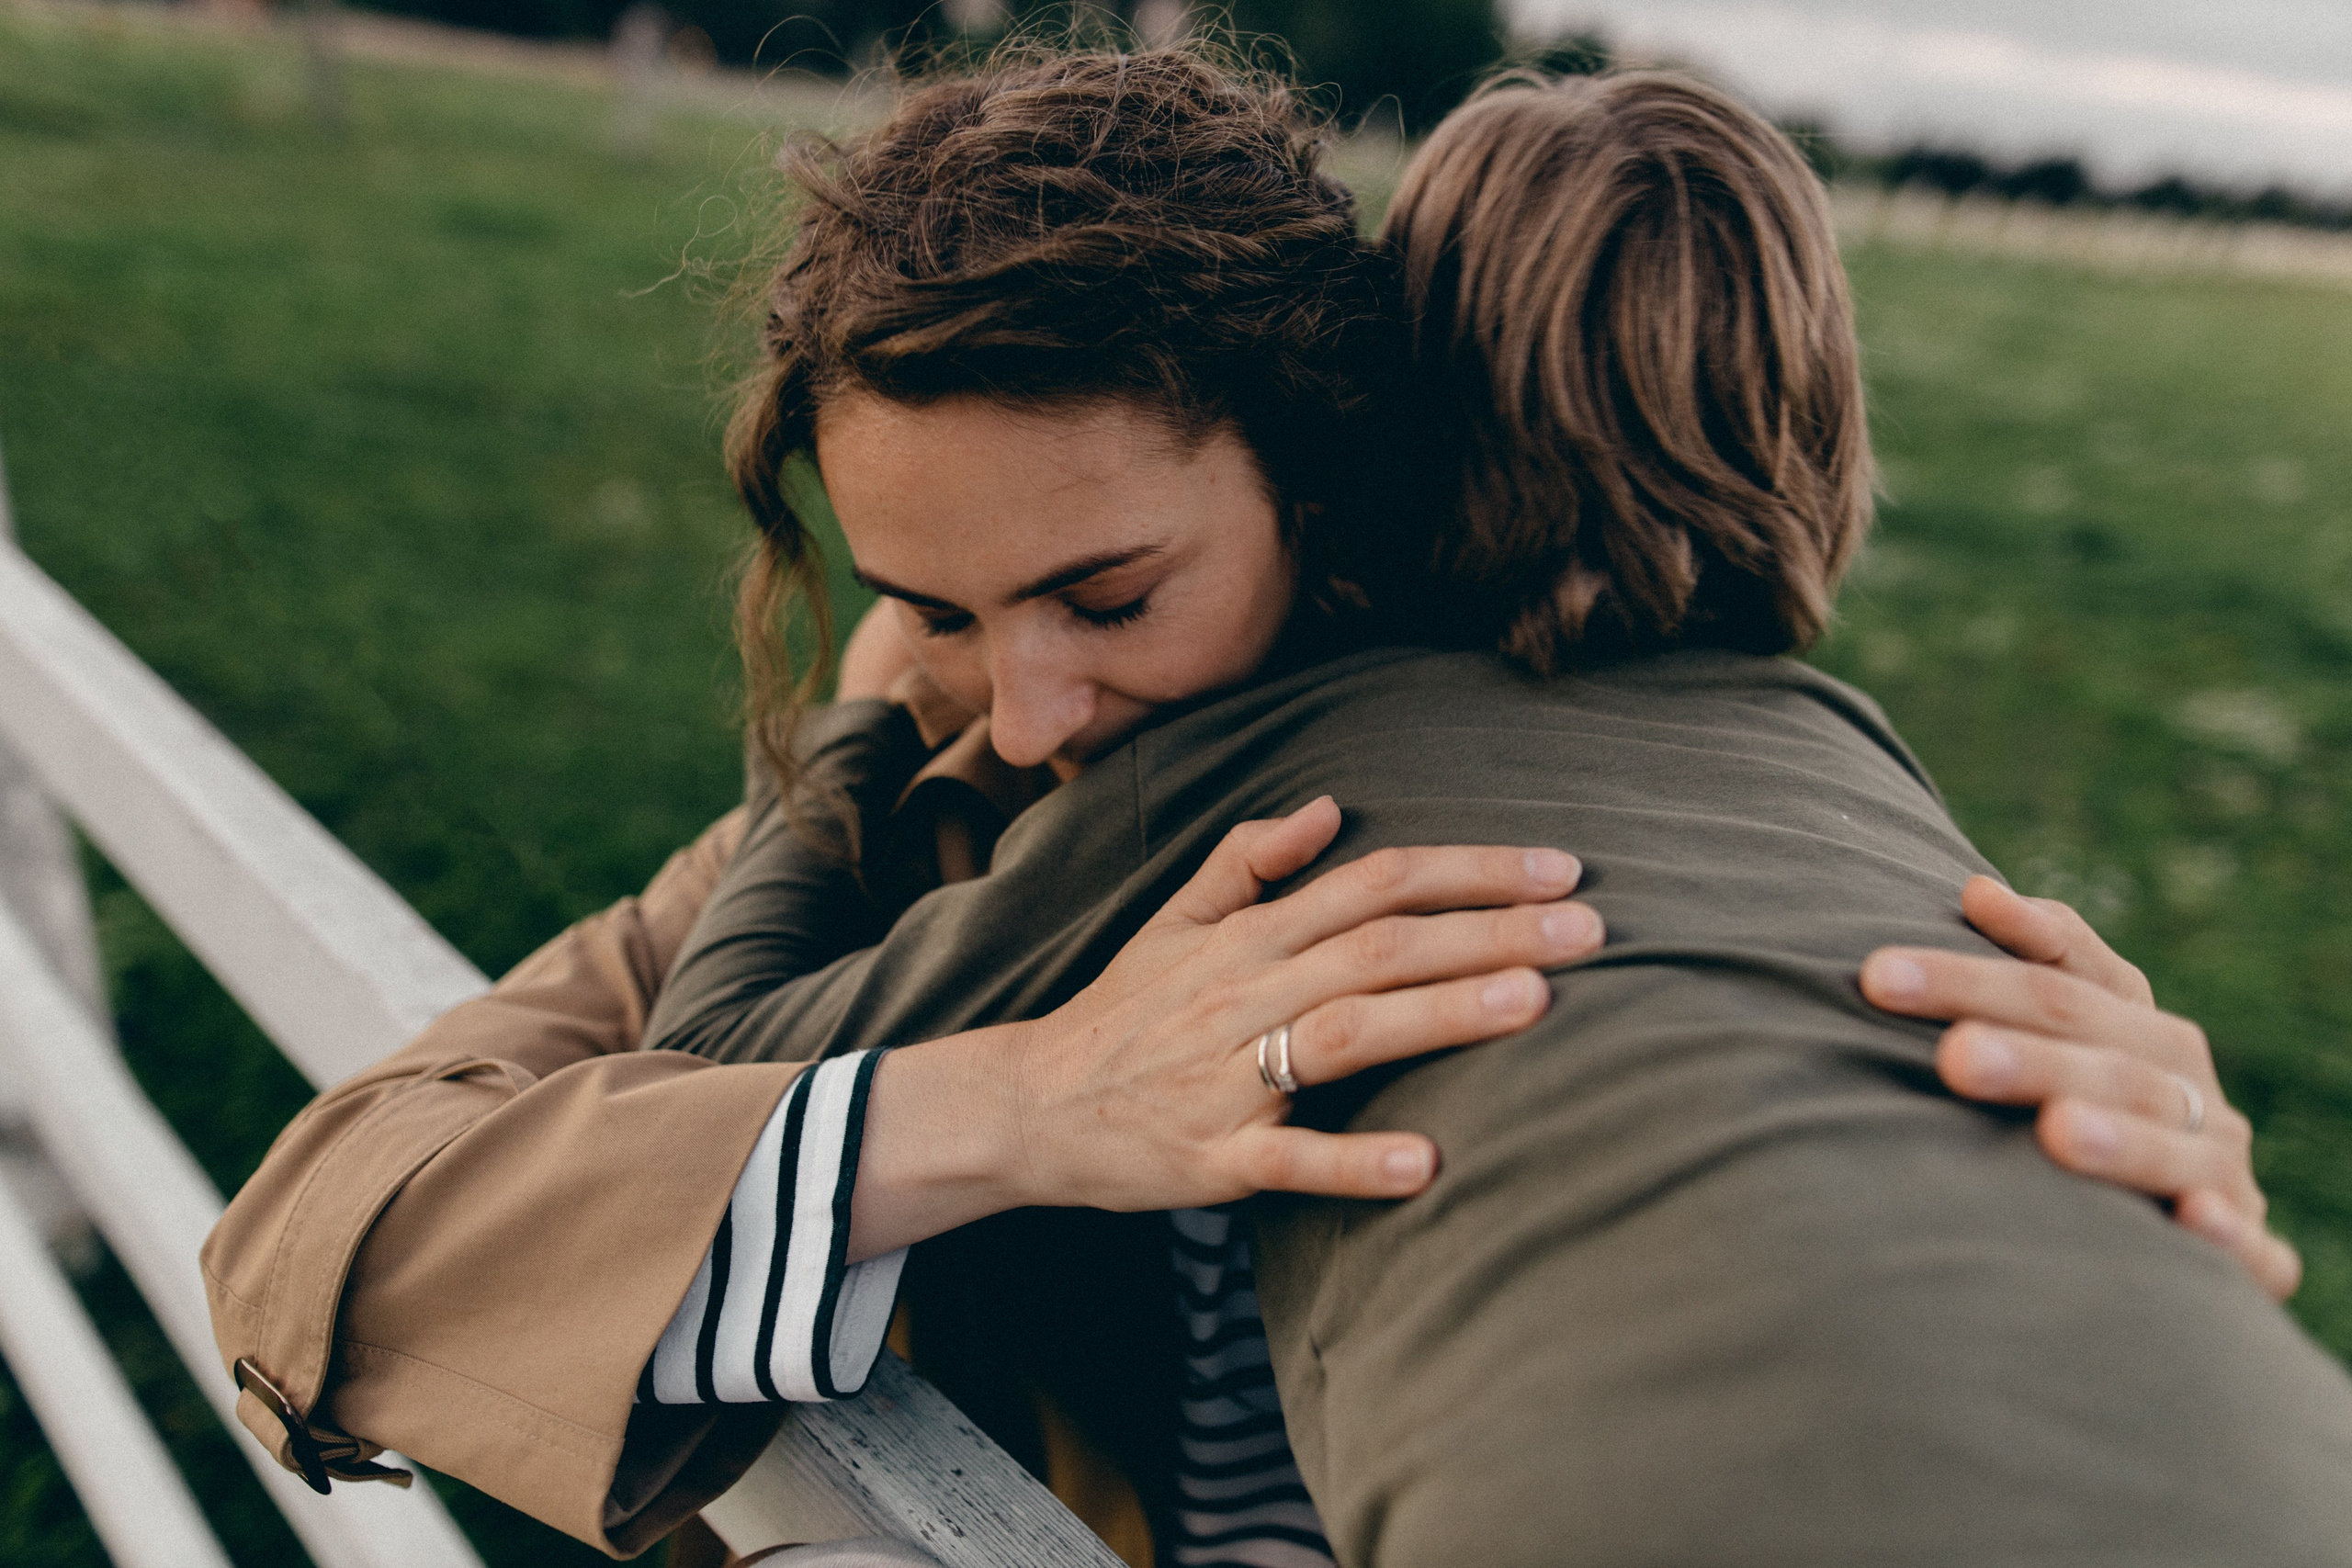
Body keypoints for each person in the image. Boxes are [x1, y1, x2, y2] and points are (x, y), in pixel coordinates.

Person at [201, 51, 2332, 1567]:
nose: (1023, 704)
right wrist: (1006, 1093)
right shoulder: (930, 802)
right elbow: (322, 1220)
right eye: (926, 605)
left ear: (1321, 492)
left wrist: (2111, 1180)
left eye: (1107, 593)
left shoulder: (1355, 762)